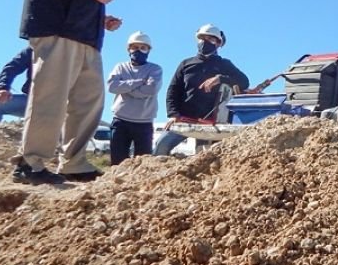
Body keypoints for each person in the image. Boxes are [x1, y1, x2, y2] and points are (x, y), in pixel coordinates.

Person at [11, 0, 124, 185]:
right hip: (59, 29)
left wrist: (101, 17)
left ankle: (73, 162)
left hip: (86, 35)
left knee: (90, 99)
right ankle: (31, 162)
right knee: (51, 95)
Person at [154, 24, 250, 156]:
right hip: (184, 119)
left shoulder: (224, 64)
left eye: (210, 39)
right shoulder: (186, 64)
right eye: (202, 38)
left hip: (211, 123)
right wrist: (173, 114)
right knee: (161, 147)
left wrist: (220, 78)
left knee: (205, 158)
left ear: (218, 43)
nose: (205, 42)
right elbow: (173, 90)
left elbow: (244, 82)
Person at [106, 31, 163, 165]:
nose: (138, 51)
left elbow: (151, 89)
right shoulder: (120, 67)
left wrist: (125, 88)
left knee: (143, 165)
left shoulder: (155, 69)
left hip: (144, 123)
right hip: (120, 121)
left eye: (143, 47)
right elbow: (112, 87)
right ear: (128, 49)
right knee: (117, 163)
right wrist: (138, 82)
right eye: (135, 47)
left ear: (149, 50)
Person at [0, 47, 33, 127]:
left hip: (57, 105)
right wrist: (2, 87)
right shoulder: (33, 49)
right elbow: (12, 67)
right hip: (33, 100)